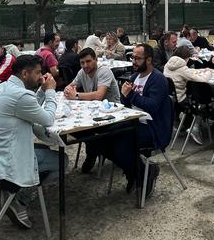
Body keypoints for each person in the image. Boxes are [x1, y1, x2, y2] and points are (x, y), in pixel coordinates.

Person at [0, 54, 61, 226]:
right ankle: (20, 198)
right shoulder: (20, 96)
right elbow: (47, 119)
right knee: (61, 160)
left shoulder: (2, 87)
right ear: (24, 74)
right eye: (38, 73)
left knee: (44, 150)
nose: (40, 76)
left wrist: (42, 91)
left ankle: (16, 194)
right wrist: (50, 91)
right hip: (8, 164)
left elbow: (28, 106)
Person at [114, 43, 172, 197]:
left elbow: (152, 106)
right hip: (134, 122)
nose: (134, 61)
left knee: (120, 144)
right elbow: (126, 104)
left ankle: (143, 173)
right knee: (105, 139)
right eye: (133, 57)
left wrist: (131, 94)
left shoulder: (158, 79)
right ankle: (136, 172)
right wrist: (124, 95)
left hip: (152, 128)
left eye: (137, 58)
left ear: (149, 60)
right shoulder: (135, 77)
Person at [65, 47, 122, 173]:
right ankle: (94, 149)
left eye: (88, 61)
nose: (85, 65)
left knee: (85, 130)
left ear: (96, 59)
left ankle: (93, 151)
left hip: (112, 114)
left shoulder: (104, 71)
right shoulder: (82, 72)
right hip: (93, 113)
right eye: (82, 63)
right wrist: (68, 90)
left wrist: (77, 95)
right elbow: (70, 86)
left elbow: (99, 95)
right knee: (75, 128)